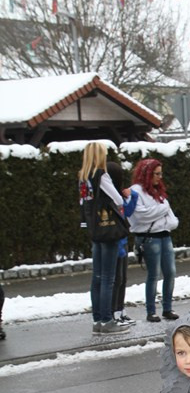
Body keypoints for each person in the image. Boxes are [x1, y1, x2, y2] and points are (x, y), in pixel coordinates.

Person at [78, 142, 130, 335]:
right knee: (109, 277)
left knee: (97, 277)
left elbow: (83, 203)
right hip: (107, 230)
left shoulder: (83, 177)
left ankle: (97, 319)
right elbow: (117, 199)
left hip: (94, 230)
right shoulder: (101, 175)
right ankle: (108, 320)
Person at [128, 158, 179, 323]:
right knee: (153, 274)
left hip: (164, 235)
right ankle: (151, 311)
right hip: (149, 237)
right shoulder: (136, 191)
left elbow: (172, 220)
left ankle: (167, 308)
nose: (159, 177)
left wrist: (157, 212)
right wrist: (162, 210)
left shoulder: (158, 191)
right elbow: (140, 215)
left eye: (160, 174)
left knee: (170, 272)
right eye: (156, 174)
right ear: (147, 174)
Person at [106, 161, 138, 326]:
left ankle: (120, 309)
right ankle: (113, 312)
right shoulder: (109, 196)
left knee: (123, 278)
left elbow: (128, 212)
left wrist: (133, 197)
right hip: (115, 242)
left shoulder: (118, 195)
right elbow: (123, 212)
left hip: (123, 240)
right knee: (115, 279)